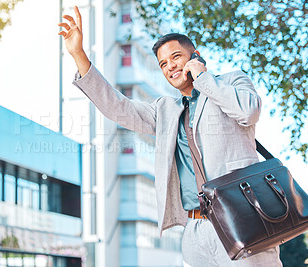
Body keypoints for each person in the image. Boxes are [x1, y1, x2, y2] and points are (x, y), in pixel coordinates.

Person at [59, 6, 282, 267]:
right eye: (163, 64)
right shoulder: (165, 110)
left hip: (243, 219)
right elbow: (119, 108)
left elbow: (249, 111)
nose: (170, 67)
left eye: (176, 57)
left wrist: (203, 78)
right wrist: (79, 55)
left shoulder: (231, 81)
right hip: (196, 230)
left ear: (195, 56)